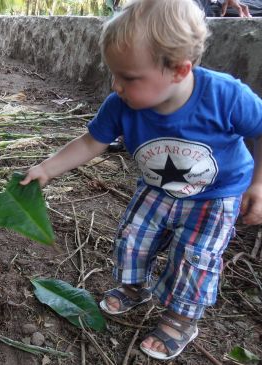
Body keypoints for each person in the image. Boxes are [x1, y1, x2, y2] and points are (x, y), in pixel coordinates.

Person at [21, 0, 262, 360]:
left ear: (179, 70)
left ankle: (181, 316)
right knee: (133, 237)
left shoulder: (225, 96)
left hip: (216, 194)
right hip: (157, 187)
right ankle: (134, 287)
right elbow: (91, 142)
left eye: (129, 77)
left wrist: (259, 184)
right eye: (114, 74)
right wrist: (47, 168)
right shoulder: (120, 104)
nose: (116, 85)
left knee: (193, 259)